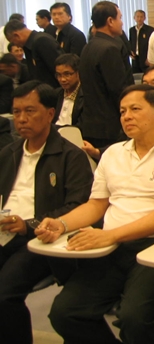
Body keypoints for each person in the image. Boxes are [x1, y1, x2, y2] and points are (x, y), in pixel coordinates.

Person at [37, 84, 154, 344]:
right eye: (123, 111)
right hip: (113, 248)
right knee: (65, 312)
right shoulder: (113, 153)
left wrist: (110, 235)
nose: (127, 116)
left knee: (134, 318)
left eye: (135, 109)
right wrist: (61, 224)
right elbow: (96, 205)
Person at [0, 81, 93, 344]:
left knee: (4, 295)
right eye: (16, 112)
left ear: (50, 114)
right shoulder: (8, 153)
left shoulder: (70, 156)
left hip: (39, 239)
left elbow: (77, 206)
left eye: (30, 111)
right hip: (3, 231)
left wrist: (28, 224)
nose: (21, 119)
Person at [79, 1, 134, 147]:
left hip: (92, 122)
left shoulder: (88, 46)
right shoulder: (109, 49)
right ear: (110, 21)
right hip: (109, 125)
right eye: (119, 18)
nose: (122, 23)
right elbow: (118, 89)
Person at [3, 19, 60, 88]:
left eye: (13, 42)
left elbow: (58, 70)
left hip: (54, 90)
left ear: (16, 35)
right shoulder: (28, 47)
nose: (16, 45)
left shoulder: (42, 41)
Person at [53, 53, 83, 127]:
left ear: (78, 73)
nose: (62, 79)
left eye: (67, 74)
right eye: (59, 75)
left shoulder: (86, 96)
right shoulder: (56, 94)